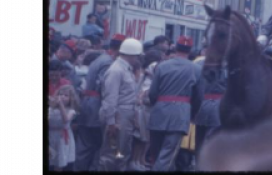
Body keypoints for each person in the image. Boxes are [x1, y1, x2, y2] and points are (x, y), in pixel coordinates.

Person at [147, 36, 203, 172]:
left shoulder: (162, 65)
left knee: (158, 154)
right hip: (180, 114)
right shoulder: (196, 69)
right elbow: (199, 97)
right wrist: (192, 113)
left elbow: (152, 93)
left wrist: (158, 105)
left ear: (176, 48)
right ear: (189, 51)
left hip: (159, 112)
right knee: (167, 155)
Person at [75, 34, 125, 171]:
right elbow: (105, 88)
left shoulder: (100, 59)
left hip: (87, 104)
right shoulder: (109, 62)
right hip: (97, 107)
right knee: (99, 146)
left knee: (84, 146)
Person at [99, 37, 144, 172]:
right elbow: (110, 99)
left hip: (124, 116)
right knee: (111, 153)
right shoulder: (116, 70)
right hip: (118, 116)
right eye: (137, 56)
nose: (138, 58)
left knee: (121, 152)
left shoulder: (124, 69)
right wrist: (111, 122)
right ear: (132, 54)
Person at [194, 52, 226, 167]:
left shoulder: (198, 64)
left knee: (199, 139)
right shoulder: (226, 66)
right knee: (213, 139)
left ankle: (199, 165)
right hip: (219, 105)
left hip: (201, 105)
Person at [49, 85, 80, 171]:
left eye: (66, 95)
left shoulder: (71, 111)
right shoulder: (51, 109)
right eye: (60, 94)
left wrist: (61, 105)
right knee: (50, 159)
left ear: (71, 98)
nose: (62, 96)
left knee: (59, 161)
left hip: (62, 139)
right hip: (51, 137)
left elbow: (66, 119)